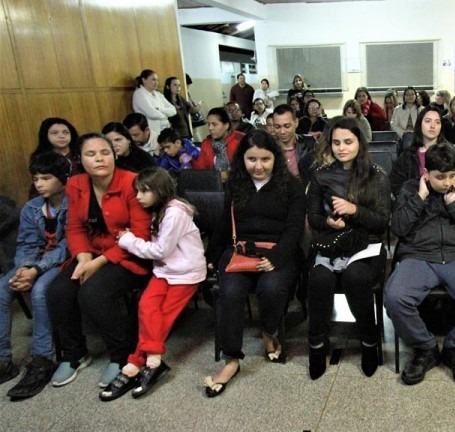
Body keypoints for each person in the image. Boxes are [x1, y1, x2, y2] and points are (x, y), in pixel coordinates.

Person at [202, 130, 305, 396]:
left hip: (278, 251)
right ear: (242, 159)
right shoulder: (236, 184)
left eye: (265, 159)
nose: (258, 166)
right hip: (240, 251)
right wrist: (211, 257)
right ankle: (231, 359)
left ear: (275, 159)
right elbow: (225, 224)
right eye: (251, 159)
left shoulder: (291, 185)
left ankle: (269, 332)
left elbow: (294, 230)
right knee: (230, 292)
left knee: (271, 289)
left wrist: (277, 257)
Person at [386, 143, 455, 387]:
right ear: (426, 173)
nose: (447, 182)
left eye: (452, 176)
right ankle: (425, 348)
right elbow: (398, 227)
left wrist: (454, 204)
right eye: (440, 177)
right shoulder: (409, 188)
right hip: (418, 255)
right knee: (395, 297)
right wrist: (420, 197)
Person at [47, 133, 152, 389]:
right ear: (80, 160)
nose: (99, 159)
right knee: (58, 291)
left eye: (105, 152)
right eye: (91, 154)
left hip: (129, 255)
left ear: (114, 154)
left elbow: (141, 234)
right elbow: (74, 227)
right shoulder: (76, 185)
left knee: (93, 293)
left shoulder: (131, 182)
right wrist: (83, 257)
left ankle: (121, 354)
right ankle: (74, 354)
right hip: (90, 251)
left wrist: (99, 262)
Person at [99, 167, 206, 401]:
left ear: (160, 190)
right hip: (164, 270)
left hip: (186, 273)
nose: (138, 197)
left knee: (163, 316)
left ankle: (137, 364)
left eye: (144, 191)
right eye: (137, 191)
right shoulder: (159, 209)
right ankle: (152, 360)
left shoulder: (175, 213)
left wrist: (128, 241)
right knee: (146, 307)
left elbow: (160, 249)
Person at [306, 117, 390, 380]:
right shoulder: (321, 175)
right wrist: (329, 221)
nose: (342, 148)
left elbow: (382, 221)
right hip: (332, 242)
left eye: (348, 142)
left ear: (359, 142)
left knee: (356, 276)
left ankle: (369, 341)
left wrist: (354, 210)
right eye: (336, 142)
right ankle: (317, 345)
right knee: (319, 279)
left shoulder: (376, 174)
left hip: (367, 244)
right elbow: (314, 218)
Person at [0, 152, 70, 401]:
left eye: (46, 178)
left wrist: (36, 271)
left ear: (62, 179)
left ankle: (43, 358)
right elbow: (26, 244)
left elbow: (68, 246)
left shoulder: (74, 203)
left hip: (61, 262)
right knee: (1, 288)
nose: (39, 183)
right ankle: (3, 360)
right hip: (35, 262)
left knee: (41, 290)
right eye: (36, 178)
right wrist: (25, 268)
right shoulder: (31, 208)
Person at [390, 106, 455, 196]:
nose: (433, 126)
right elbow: (396, 185)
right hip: (416, 204)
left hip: (445, 205)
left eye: (437, 122)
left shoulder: (453, 153)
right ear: (419, 124)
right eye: (428, 121)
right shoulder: (407, 155)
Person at [28, 118, 81, 199]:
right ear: (46, 136)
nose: (61, 136)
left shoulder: (81, 155)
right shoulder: (40, 158)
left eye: (66, 132)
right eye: (54, 133)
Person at [191, 107, 246, 183]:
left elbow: (248, 166)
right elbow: (201, 169)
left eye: (214, 124)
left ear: (226, 125)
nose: (210, 128)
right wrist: (191, 160)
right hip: (213, 185)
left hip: (239, 184)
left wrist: (230, 174)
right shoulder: (206, 143)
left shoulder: (241, 140)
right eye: (209, 124)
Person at [270, 104, 317, 184]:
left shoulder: (310, 143)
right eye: (277, 127)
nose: (282, 132)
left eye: (287, 126)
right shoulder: (268, 146)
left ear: (296, 123)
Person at [132, 70, 176, 144]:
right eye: (153, 80)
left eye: (157, 80)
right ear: (144, 80)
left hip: (165, 131)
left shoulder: (158, 94)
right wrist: (165, 115)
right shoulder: (139, 94)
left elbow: (173, 111)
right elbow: (152, 114)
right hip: (152, 133)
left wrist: (159, 109)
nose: (156, 82)